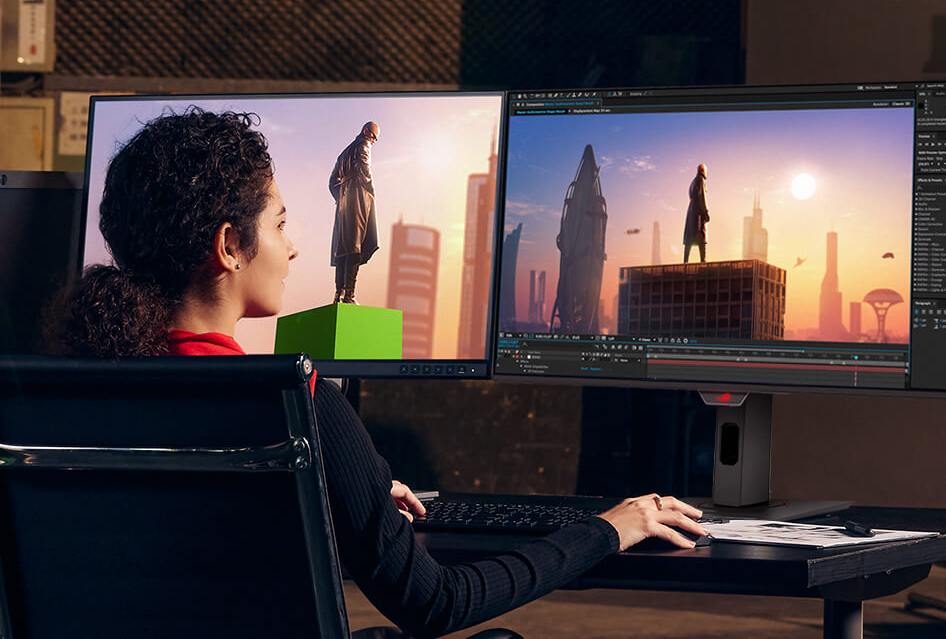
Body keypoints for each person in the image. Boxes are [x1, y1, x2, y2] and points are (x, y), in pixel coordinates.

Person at [57, 109, 708, 638]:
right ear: (230, 245)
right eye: (280, 224)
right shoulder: (295, 401)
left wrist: (327, 490)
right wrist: (606, 528)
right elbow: (436, 603)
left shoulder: (72, 397)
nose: (294, 247)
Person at [329, 121, 380, 304]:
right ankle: (349, 295)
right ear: (366, 132)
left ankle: (338, 295)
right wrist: (371, 192)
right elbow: (365, 168)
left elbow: (331, 181)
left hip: (343, 204)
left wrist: (340, 196)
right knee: (355, 248)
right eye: (374, 137)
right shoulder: (363, 145)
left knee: (342, 248)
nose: (373, 142)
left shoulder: (343, 153)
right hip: (358, 199)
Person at [683, 163, 709, 263]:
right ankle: (703, 260)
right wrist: (705, 212)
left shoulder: (693, 182)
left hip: (691, 212)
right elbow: (702, 198)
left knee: (689, 238)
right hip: (698, 213)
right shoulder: (700, 180)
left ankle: (685, 260)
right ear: (703, 171)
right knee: (701, 236)